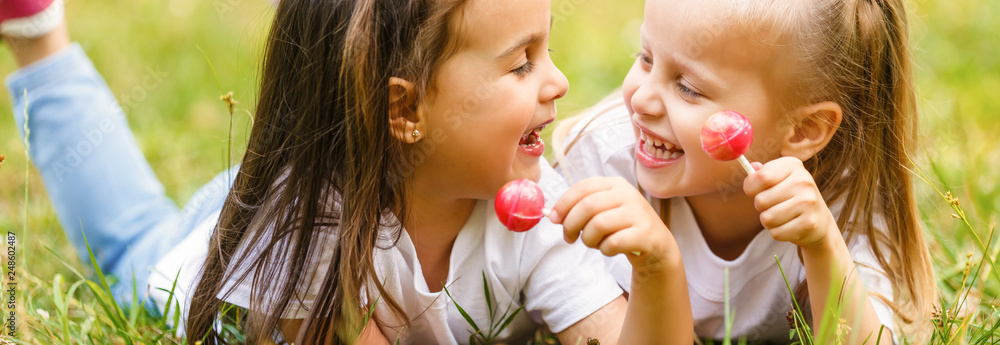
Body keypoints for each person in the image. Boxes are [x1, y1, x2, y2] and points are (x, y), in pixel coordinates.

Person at [3, 0, 692, 343]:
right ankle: (37, 37)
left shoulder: (536, 208)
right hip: (250, 221)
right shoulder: (314, 237)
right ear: (408, 108)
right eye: (522, 63)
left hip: (346, 165)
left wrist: (657, 267)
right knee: (130, 248)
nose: (560, 82)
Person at [550, 0, 936, 343]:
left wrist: (822, 246)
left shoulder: (843, 198)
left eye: (687, 87)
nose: (641, 99)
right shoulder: (601, 166)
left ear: (803, 130)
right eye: (646, 57)